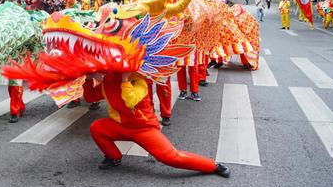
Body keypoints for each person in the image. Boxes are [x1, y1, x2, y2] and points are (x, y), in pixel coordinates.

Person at [83, 72, 230, 177]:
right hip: (120, 126)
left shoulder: (139, 79)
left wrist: (125, 79)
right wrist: (88, 79)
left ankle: (213, 166)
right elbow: (90, 97)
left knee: (172, 158)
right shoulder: (108, 82)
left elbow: (130, 101)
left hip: (144, 129)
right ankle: (113, 157)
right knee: (97, 127)